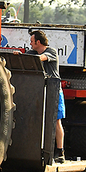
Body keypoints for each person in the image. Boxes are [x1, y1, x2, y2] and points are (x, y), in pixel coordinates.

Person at [27, 30, 66, 164]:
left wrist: (25, 57)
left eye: (32, 41)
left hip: (54, 91)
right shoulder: (32, 53)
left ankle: (60, 151)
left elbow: (42, 58)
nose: (30, 44)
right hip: (40, 91)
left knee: (56, 121)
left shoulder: (51, 52)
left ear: (38, 42)